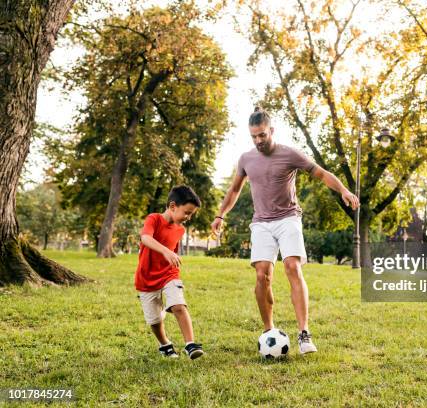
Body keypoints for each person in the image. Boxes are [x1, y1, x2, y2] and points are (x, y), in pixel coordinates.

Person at [211, 107, 359, 354]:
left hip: (288, 217)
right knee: (262, 276)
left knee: (292, 266)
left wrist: (343, 190)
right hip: (261, 222)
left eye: (262, 135)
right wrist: (220, 214)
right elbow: (235, 189)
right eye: (254, 136)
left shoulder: (289, 154)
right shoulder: (246, 159)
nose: (259, 141)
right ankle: (269, 329)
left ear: (272, 131)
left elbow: (321, 173)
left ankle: (304, 333)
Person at [135, 185, 204, 359]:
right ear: (173, 206)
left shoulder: (180, 229)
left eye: (191, 214)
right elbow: (145, 238)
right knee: (155, 320)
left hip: (169, 275)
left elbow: (173, 250)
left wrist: (171, 255)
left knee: (179, 305)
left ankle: (190, 344)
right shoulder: (154, 219)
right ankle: (165, 344)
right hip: (146, 278)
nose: (188, 218)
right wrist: (165, 251)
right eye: (187, 212)